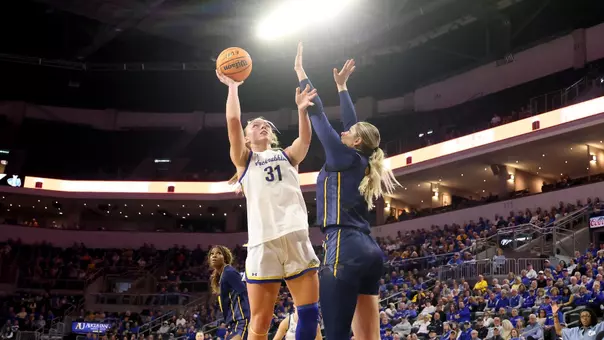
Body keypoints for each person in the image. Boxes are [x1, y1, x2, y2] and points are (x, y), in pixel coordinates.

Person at [294, 42, 399, 340]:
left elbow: (318, 117)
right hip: (368, 249)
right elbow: (352, 123)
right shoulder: (360, 157)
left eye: (348, 133)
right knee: (369, 338)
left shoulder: (343, 156)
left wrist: (300, 72)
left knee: (336, 335)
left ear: (354, 142)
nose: (344, 130)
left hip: (344, 246)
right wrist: (342, 88)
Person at [216, 48, 321, 340]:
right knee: (260, 323)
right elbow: (233, 124)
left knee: (310, 313)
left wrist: (302, 111)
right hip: (263, 243)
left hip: (296, 235)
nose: (260, 126)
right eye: (255, 125)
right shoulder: (244, 160)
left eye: (265, 125)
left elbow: (306, 140)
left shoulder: (287, 155)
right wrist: (234, 88)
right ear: (248, 137)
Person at [209, 246, 250, 340]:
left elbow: (245, 293)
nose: (214, 256)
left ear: (225, 258)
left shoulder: (229, 272)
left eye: (219, 253)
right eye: (212, 254)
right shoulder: (223, 275)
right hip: (234, 324)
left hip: (242, 320)